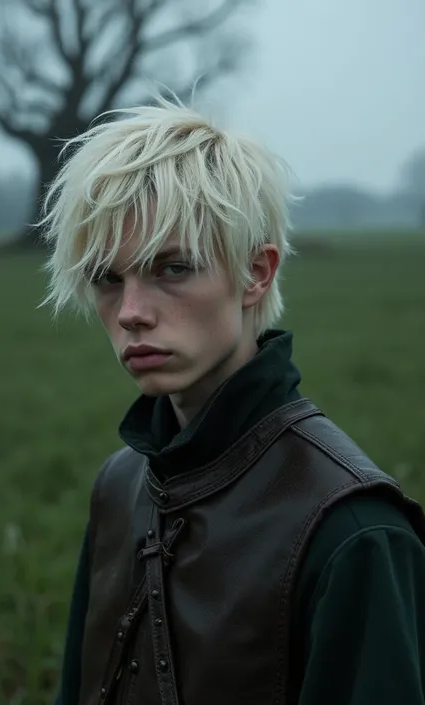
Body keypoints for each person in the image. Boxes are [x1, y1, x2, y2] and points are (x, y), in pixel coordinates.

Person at [40, 95, 425, 705]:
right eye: (107, 279)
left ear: (257, 273)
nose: (132, 313)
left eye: (171, 269)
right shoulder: (119, 487)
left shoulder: (353, 531)